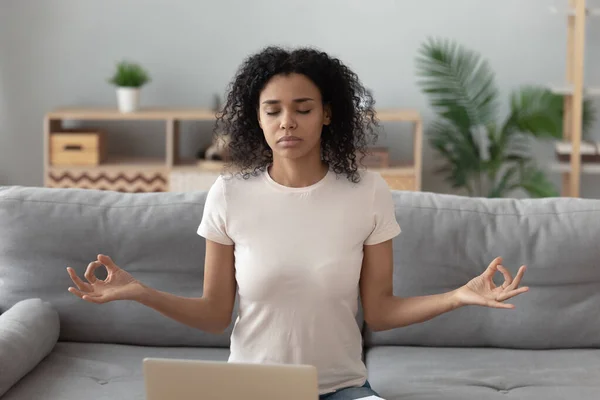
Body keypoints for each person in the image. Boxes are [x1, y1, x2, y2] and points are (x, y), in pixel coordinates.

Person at [66, 46, 529, 400]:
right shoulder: (228, 195)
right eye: (273, 111)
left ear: (327, 114)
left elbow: (381, 311)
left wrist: (458, 297)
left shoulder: (367, 191)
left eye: (303, 109)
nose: (288, 122)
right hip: (250, 389)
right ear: (258, 120)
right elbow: (212, 316)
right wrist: (139, 292)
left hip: (343, 388)